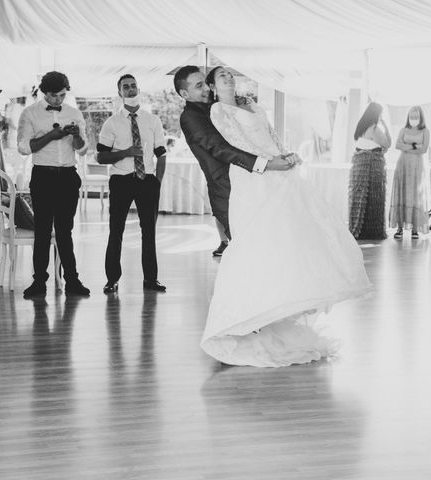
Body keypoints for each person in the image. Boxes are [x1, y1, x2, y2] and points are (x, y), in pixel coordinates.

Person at [200, 66, 372, 367]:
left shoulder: (251, 103)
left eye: (229, 74)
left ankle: (281, 302)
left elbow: (269, 134)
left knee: (292, 237)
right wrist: (270, 162)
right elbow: (236, 142)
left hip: (279, 169)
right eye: (221, 77)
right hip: (254, 177)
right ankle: (247, 311)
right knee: (260, 239)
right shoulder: (218, 110)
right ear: (213, 86)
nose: (228, 78)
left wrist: (286, 154)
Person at [173, 65, 290, 257]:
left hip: (252, 183)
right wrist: (265, 164)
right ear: (185, 93)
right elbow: (219, 148)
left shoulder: (219, 105)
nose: (207, 89)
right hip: (226, 188)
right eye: (199, 86)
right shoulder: (190, 117)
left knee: (269, 241)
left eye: (206, 83)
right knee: (246, 247)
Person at [17, 71, 90, 297]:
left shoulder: (74, 113)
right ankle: (39, 282)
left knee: (65, 231)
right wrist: (52, 135)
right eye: (55, 96)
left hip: (68, 176)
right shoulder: (30, 113)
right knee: (42, 231)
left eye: (63, 95)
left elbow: (83, 148)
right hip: (43, 177)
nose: (59, 100)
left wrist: (76, 136)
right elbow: (23, 148)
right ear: (44, 92)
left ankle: (72, 281)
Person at [96, 74, 167, 294]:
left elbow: (161, 154)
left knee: (149, 231)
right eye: (125, 87)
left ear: (139, 89)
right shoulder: (112, 122)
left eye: (133, 85)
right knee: (116, 230)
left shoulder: (152, 120)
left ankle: (151, 279)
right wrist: (126, 153)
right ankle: (112, 280)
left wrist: (157, 181)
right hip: (121, 180)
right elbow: (101, 157)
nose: (130, 89)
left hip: (147, 180)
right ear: (120, 93)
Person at [348, 102, 391, 240]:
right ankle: (372, 231)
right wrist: (386, 127)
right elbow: (387, 144)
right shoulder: (374, 129)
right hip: (372, 165)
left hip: (359, 164)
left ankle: (359, 229)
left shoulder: (360, 127)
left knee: (359, 197)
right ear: (376, 114)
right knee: (373, 197)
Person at [389, 106, 430, 239]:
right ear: (408, 117)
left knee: (415, 196)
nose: (413, 119)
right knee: (402, 193)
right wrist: (413, 146)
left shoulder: (425, 131)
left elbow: (423, 149)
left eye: (416, 116)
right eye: (411, 117)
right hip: (402, 165)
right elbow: (397, 145)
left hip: (417, 167)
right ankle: (400, 228)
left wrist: (406, 147)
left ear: (421, 117)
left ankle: (415, 229)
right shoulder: (403, 130)